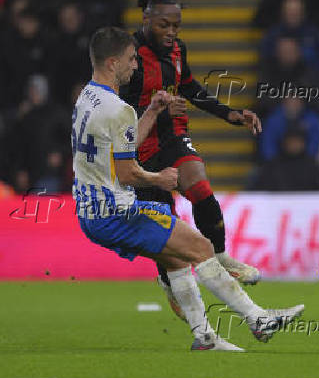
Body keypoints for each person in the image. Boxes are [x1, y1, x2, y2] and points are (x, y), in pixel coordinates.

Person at [73, 26, 304, 351]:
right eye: (129, 60)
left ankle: (205, 337)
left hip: (91, 212)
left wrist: (152, 111)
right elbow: (126, 173)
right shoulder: (119, 109)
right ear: (112, 63)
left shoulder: (88, 97)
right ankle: (258, 319)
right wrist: (160, 179)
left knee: (177, 259)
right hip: (117, 212)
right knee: (201, 248)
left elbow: (121, 146)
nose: (135, 66)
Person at [119, 0, 262, 320]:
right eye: (164, 25)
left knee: (200, 186)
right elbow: (118, 109)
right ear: (146, 20)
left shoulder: (177, 49)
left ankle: (222, 257)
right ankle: (170, 283)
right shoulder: (128, 55)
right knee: (164, 227)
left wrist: (230, 114)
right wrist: (156, 106)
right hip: (137, 147)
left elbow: (190, 87)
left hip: (172, 137)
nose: (171, 32)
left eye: (177, 26)